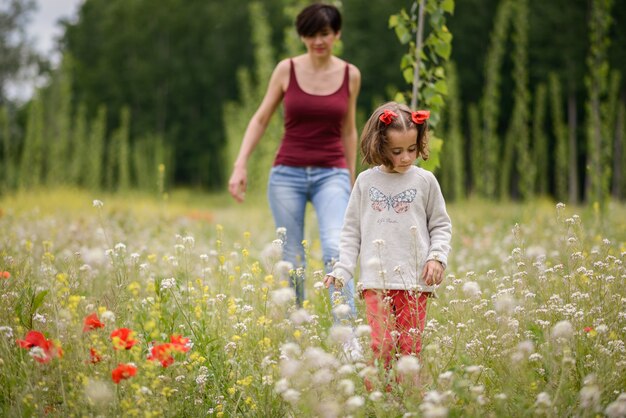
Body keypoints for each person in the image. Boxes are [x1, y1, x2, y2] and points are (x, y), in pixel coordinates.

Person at [228, 3, 361, 312]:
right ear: (302, 36)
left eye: (325, 34)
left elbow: (349, 130)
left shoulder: (350, 75)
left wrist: (352, 178)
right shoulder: (286, 70)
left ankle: (348, 337)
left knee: (334, 247)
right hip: (287, 174)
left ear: (337, 34)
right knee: (292, 259)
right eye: (311, 34)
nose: (318, 41)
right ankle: (296, 331)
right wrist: (240, 164)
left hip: (332, 173)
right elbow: (260, 119)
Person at [324, 101, 452, 384]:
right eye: (397, 151)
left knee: (409, 350)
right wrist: (343, 268)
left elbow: (441, 225)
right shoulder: (365, 182)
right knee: (380, 346)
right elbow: (351, 231)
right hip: (375, 282)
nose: (406, 158)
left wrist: (437, 257)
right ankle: (377, 400)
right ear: (379, 145)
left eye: (412, 149)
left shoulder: (425, 181)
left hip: (414, 283)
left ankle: (407, 404)